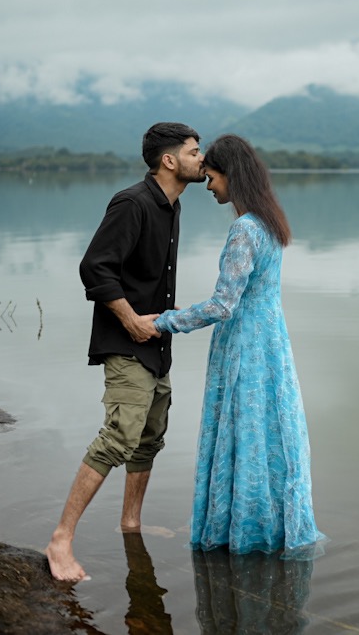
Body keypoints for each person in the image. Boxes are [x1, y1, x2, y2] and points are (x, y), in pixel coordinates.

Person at [147, 134, 324, 557]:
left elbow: (223, 305)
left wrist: (166, 321)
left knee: (243, 432)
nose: (208, 186)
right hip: (272, 342)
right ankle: (270, 526)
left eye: (211, 177)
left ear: (231, 175)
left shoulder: (244, 230)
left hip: (244, 345)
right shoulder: (269, 222)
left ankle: (240, 530)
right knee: (267, 433)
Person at [45, 122, 204, 581]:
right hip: (127, 342)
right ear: (169, 160)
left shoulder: (170, 207)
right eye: (194, 152)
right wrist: (130, 319)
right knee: (118, 437)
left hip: (157, 345)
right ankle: (61, 540)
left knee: (149, 439)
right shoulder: (132, 202)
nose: (202, 158)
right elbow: (95, 267)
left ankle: (130, 523)